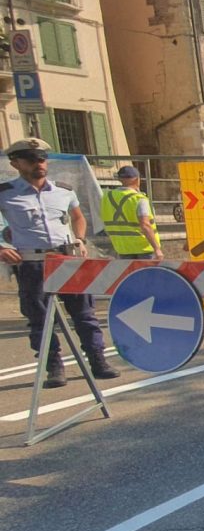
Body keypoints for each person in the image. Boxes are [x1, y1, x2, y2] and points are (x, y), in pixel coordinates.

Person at [0, 139, 121, 388]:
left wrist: (79, 238)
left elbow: (78, 217)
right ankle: (54, 366)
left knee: (84, 314)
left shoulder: (63, 190)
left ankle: (98, 360)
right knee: (40, 318)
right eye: (31, 159)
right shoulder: (5, 193)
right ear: (15, 163)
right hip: (33, 263)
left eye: (42, 159)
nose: (39, 164)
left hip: (67, 260)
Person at [101, 165, 163, 260]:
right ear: (137, 179)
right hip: (144, 248)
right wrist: (157, 249)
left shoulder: (106, 197)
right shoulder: (139, 199)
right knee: (148, 274)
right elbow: (145, 225)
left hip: (122, 247)